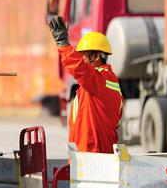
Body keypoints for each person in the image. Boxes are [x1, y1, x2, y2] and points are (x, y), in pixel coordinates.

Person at [47, 15, 122, 153]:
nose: (82, 58)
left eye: (85, 55)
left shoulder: (99, 80)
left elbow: (79, 68)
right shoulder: (106, 82)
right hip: (92, 155)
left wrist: (63, 44)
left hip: (91, 156)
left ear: (97, 55)